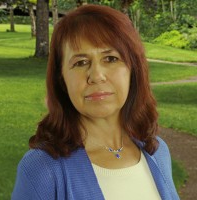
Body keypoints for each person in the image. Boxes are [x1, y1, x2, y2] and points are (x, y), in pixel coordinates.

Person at [12, 4, 180, 200]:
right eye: (80, 62)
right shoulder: (42, 169)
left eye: (110, 58)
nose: (96, 76)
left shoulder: (158, 152)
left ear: (132, 70)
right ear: (62, 80)